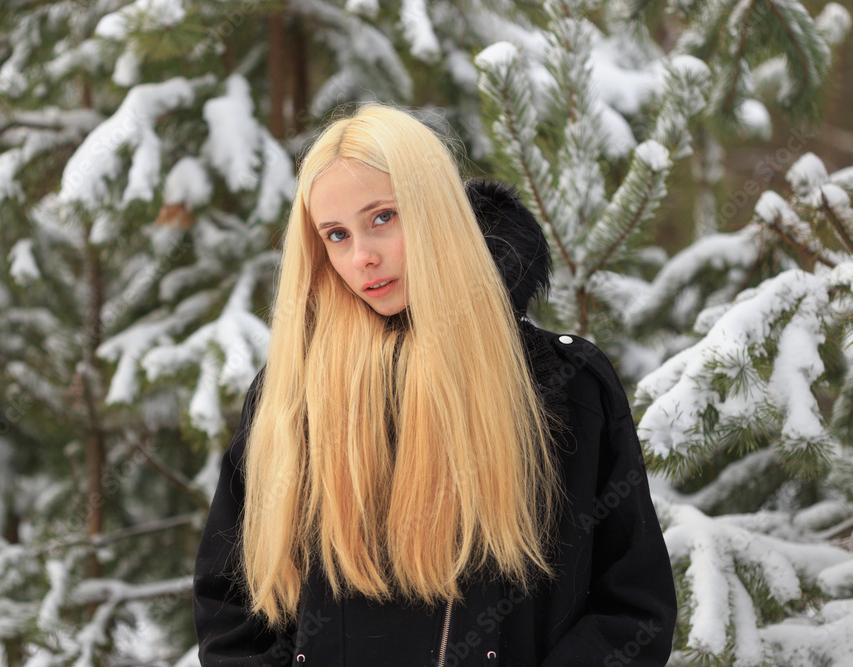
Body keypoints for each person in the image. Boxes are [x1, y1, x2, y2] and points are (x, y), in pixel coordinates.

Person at [192, 103, 677, 666]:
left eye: (383, 217)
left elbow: (630, 607)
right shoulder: (290, 395)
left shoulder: (561, 385)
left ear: (434, 209)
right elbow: (231, 605)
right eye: (336, 234)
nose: (362, 257)